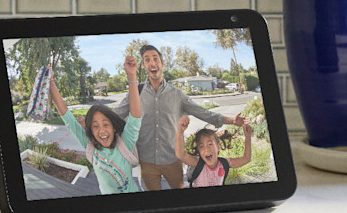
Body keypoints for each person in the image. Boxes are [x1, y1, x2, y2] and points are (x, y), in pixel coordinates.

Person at [114, 45, 246, 191]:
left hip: (173, 160)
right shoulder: (136, 93)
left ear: (162, 64)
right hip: (146, 162)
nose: (152, 63)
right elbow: (115, 114)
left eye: (155, 59)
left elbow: (202, 112)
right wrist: (89, 123)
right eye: (147, 60)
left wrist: (232, 121)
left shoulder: (177, 94)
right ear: (143, 65)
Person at [49, 56, 143, 194]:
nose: (102, 130)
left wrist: (131, 75)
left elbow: (135, 117)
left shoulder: (125, 143)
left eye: (106, 124)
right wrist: (51, 82)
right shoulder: (91, 146)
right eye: (95, 126)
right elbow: (68, 119)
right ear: (90, 131)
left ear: (114, 127)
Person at [174, 115, 253, 188]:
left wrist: (248, 138)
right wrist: (180, 131)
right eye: (201, 146)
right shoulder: (197, 163)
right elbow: (181, 155)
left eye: (210, 144)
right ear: (199, 151)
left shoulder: (224, 163)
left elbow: (246, 159)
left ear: (218, 147)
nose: (206, 149)